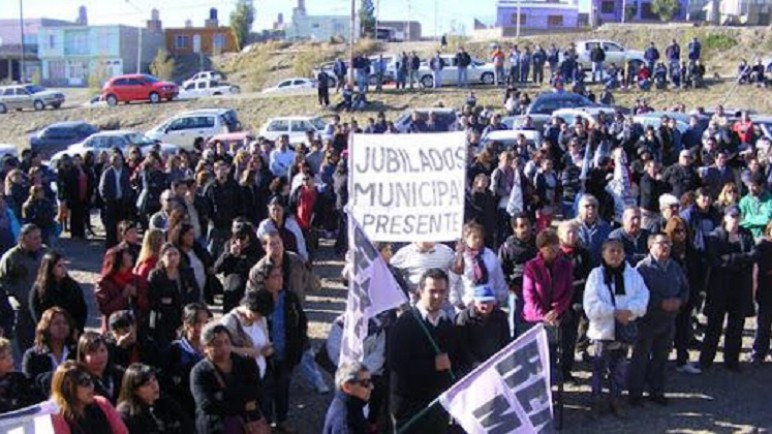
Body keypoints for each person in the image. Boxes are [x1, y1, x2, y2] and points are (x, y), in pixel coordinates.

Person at [584, 240, 649, 419]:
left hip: (624, 327)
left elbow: (643, 296)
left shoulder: (632, 275)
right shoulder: (596, 275)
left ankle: (616, 398)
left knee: (619, 367)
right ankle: (596, 399)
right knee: (599, 367)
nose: (615, 255)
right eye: (611, 251)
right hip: (603, 330)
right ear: (603, 253)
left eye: (619, 251)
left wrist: (630, 311)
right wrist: (613, 312)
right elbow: (590, 303)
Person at [388, 269, 459, 434]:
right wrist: (432, 365)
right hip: (410, 407)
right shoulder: (404, 324)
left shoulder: (446, 322)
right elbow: (397, 364)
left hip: (437, 405)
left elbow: (452, 358)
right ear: (420, 291)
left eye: (442, 291)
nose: (437, 296)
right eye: (432, 291)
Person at [628, 233, 690, 406]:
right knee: (640, 358)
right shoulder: (642, 268)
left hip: (669, 320)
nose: (665, 247)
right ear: (650, 246)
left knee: (661, 358)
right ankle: (635, 393)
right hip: (647, 321)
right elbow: (637, 294)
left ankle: (657, 390)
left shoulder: (675, 267)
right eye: (661, 243)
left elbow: (685, 288)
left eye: (668, 244)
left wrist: (679, 301)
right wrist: (660, 303)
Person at [698, 206, 757, 372]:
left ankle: (731, 361)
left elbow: (754, 255)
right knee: (714, 326)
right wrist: (741, 260)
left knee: (736, 326)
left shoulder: (745, 234)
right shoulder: (715, 236)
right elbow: (716, 261)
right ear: (725, 217)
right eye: (732, 216)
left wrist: (731, 259)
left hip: (740, 287)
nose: (736, 219)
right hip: (719, 288)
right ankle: (706, 360)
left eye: (738, 216)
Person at [251, 263, 308, 432]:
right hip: (264, 356)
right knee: (265, 392)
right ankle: (266, 424)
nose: (280, 280)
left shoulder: (289, 298)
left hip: (286, 353)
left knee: (283, 389)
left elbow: (301, 322)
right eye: (275, 277)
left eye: (281, 276)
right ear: (265, 280)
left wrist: (299, 345)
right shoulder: (257, 299)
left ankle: (282, 420)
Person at [190, 323, 268, 434]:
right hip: (216, 427)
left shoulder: (246, 363)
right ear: (205, 348)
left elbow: (257, 391)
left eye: (227, 342)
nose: (224, 348)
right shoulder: (199, 372)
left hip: (249, 424)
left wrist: (224, 395)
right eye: (218, 344)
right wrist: (243, 404)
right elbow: (207, 405)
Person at [522, 229, 574, 375]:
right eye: (549, 248)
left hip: (557, 315)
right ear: (541, 249)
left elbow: (568, 290)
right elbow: (529, 295)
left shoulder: (566, 265)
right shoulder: (531, 266)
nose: (553, 250)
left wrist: (556, 310)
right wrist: (543, 315)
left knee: (553, 352)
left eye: (556, 246)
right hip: (536, 317)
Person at [0, 223, 46, 356]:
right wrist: (14, 296)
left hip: (43, 306)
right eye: (34, 238)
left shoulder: (46, 253)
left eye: (39, 237)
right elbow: (3, 281)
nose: (38, 241)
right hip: (22, 308)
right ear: (23, 239)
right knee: (26, 343)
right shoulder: (11, 258)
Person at [146, 243, 200, 349]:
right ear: (162, 257)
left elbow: (195, 292)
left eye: (176, 254)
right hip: (163, 320)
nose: (173, 258)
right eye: (169, 255)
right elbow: (154, 299)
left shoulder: (186, 272)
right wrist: (170, 300)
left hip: (183, 315)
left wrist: (179, 301)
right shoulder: (156, 275)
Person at [50, 360, 129, 434]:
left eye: (91, 380)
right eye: (84, 382)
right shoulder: (58, 416)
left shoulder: (102, 404)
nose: (91, 386)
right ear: (67, 387)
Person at [557, 220, 592, 378]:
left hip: (576, 300)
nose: (572, 236)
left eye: (575, 232)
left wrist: (574, 285)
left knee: (570, 337)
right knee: (557, 337)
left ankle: (566, 369)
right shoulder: (555, 254)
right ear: (560, 235)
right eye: (568, 232)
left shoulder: (583, 253)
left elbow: (588, 276)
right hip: (556, 301)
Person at [117, 363, 193, 434]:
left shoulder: (164, 401)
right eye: (147, 384)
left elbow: (186, 424)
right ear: (134, 390)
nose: (154, 386)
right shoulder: (125, 415)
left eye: (154, 380)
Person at [450, 222, 508, 309]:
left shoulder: (490, 255)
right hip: (468, 303)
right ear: (465, 239)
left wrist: (500, 298)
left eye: (480, 237)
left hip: (489, 302)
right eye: (474, 237)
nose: (478, 240)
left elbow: (498, 277)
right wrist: (456, 301)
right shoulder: (460, 257)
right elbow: (452, 281)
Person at [220, 289, 274, 382]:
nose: (258, 318)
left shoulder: (261, 319)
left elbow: (266, 341)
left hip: (260, 374)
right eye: (256, 315)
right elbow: (223, 348)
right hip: (240, 377)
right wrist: (248, 352)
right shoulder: (229, 322)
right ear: (248, 307)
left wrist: (268, 350)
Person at [455, 284, 511, 374]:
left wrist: (502, 360)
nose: (486, 306)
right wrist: (474, 363)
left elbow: (505, 341)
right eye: (482, 302)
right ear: (475, 302)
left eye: (489, 302)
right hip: (472, 367)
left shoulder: (501, 316)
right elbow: (462, 345)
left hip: (496, 364)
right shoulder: (464, 318)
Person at [498, 213, 538, 338]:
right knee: (515, 324)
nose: (524, 229)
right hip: (517, 290)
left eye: (527, 225)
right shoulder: (508, 246)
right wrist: (510, 287)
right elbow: (501, 270)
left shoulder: (538, 244)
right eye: (521, 226)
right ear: (515, 228)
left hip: (538, 290)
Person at [29, 251, 87, 334]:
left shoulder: (73, 286)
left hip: (71, 333)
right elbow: (37, 313)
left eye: (64, 265)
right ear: (50, 268)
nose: (64, 269)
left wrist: (76, 328)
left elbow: (82, 310)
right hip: (49, 333)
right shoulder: (38, 289)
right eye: (59, 266)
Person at [21, 307, 78, 391]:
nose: (62, 326)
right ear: (46, 327)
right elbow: (28, 384)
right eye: (56, 323)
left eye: (65, 323)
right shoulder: (33, 355)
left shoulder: (76, 351)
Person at [96, 245, 148, 333]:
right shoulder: (103, 283)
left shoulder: (136, 279)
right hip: (114, 329)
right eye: (127, 255)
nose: (131, 257)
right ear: (118, 260)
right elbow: (105, 309)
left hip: (136, 328)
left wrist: (137, 295)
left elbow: (148, 303)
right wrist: (123, 297)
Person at [322, 362, 373, 434]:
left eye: (370, 381)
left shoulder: (350, 404)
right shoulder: (345, 423)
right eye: (365, 383)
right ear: (347, 386)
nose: (371, 387)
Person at [77, 331, 126, 404]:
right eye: (93, 352)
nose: (99, 356)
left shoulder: (119, 373)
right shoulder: (79, 381)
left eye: (102, 350)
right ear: (83, 357)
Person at [99, 152, 133, 248]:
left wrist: (127, 196)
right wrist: (107, 198)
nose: (118, 162)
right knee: (111, 224)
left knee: (122, 223)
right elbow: (102, 188)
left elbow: (128, 186)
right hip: (111, 202)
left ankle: (122, 242)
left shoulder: (125, 172)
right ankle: (110, 244)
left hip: (122, 201)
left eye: (119, 160)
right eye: (115, 160)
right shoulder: (107, 172)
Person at [0, 336, 41, 413]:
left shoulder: (19, 378)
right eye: (3, 357)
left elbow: (34, 404)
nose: (10, 359)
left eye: (9, 354)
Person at [752, 221, 772, 363]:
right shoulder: (763, 246)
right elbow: (760, 269)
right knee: (763, 323)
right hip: (766, 290)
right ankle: (759, 353)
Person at [738, 173, 772, 239]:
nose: (750, 188)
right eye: (749, 185)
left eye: (753, 186)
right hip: (748, 237)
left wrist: (748, 218)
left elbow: (767, 220)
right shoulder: (744, 201)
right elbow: (740, 221)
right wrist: (759, 219)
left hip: (767, 237)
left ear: (761, 186)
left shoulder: (770, 200)